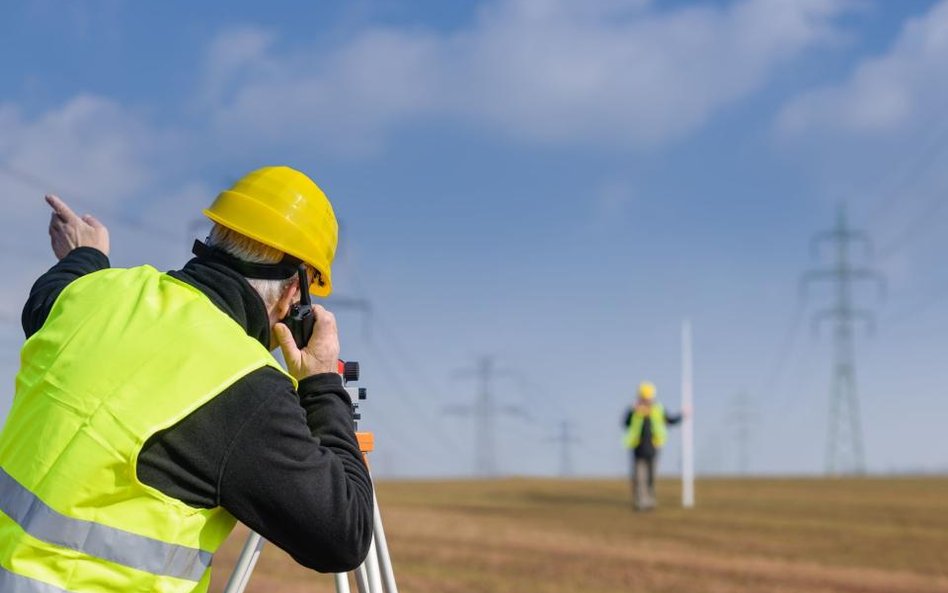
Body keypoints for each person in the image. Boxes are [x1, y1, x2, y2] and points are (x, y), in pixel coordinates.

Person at [0, 166, 374, 593]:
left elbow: (50, 295)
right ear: (295, 292)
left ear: (215, 238)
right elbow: (344, 535)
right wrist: (322, 383)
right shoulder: (247, 387)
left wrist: (86, 254)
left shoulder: (92, 296)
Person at [622, 381, 684, 511]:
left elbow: (669, 420)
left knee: (651, 478)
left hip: (653, 449)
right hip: (638, 449)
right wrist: (634, 411)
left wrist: (682, 416)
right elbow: (625, 423)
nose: (646, 400)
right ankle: (640, 502)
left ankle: (650, 502)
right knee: (639, 478)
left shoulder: (658, 409)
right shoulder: (633, 410)